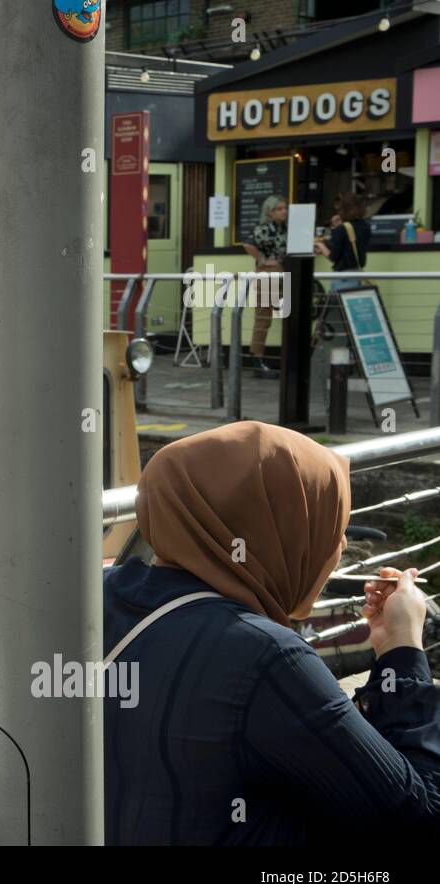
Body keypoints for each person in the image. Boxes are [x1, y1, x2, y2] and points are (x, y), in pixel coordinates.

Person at [104, 422, 440, 844]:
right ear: (288, 531)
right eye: (329, 528)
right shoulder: (265, 656)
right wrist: (403, 648)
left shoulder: (94, 597)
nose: (335, 550)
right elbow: (418, 817)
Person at [241, 196, 287, 378]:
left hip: (282, 273)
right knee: (263, 318)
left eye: (285, 208)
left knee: (284, 314)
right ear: (269, 212)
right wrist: (263, 260)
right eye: (279, 209)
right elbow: (248, 244)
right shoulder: (264, 228)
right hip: (268, 274)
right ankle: (257, 362)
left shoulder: (284, 228)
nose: (284, 211)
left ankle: (261, 361)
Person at [314, 191, 370, 293]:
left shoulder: (341, 229)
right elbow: (350, 246)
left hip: (343, 278)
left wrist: (320, 245)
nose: (338, 213)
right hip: (358, 275)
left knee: (335, 307)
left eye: (339, 209)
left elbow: (333, 257)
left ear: (344, 209)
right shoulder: (366, 226)